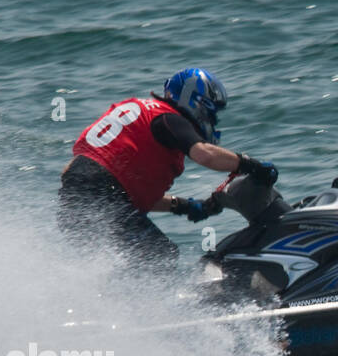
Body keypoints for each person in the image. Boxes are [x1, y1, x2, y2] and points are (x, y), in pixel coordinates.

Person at [57, 67, 279, 272]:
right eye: (212, 113)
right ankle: (142, 312)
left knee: (123, 262)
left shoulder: (144, 113)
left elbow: (115, 186)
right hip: (100, 197)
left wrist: (182, 206)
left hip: (76, 201)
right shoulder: (169, 118)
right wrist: (252, 165)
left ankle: (106, 306)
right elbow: (205, 154)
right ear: (197, 102)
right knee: (159, 255)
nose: (212, 120)